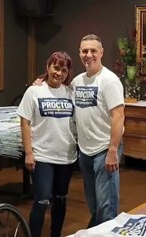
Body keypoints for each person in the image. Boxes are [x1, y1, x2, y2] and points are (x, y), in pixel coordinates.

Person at [17, 51, 77, 237]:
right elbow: (25, 122)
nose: (59, 73)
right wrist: (28, 152)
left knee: (60, 199)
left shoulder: (70, 93)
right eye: (56, 68)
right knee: (42, 200)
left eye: (64, 70)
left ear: (68, 73)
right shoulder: (34, 91)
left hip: (66, 156)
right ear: (48, 67)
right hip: (42, 155)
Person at [73, 34, 125, 227]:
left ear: (101, 53)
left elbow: (118, 116)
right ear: (79, 53)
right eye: (84, 51)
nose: (89, 55)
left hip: (105, 150)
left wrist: (113, 151)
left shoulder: (109, 81)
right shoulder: (77, 82)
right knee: (94, 204)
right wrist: (40, 82)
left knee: (107, 206)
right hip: (85, 151)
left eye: (93, 50)